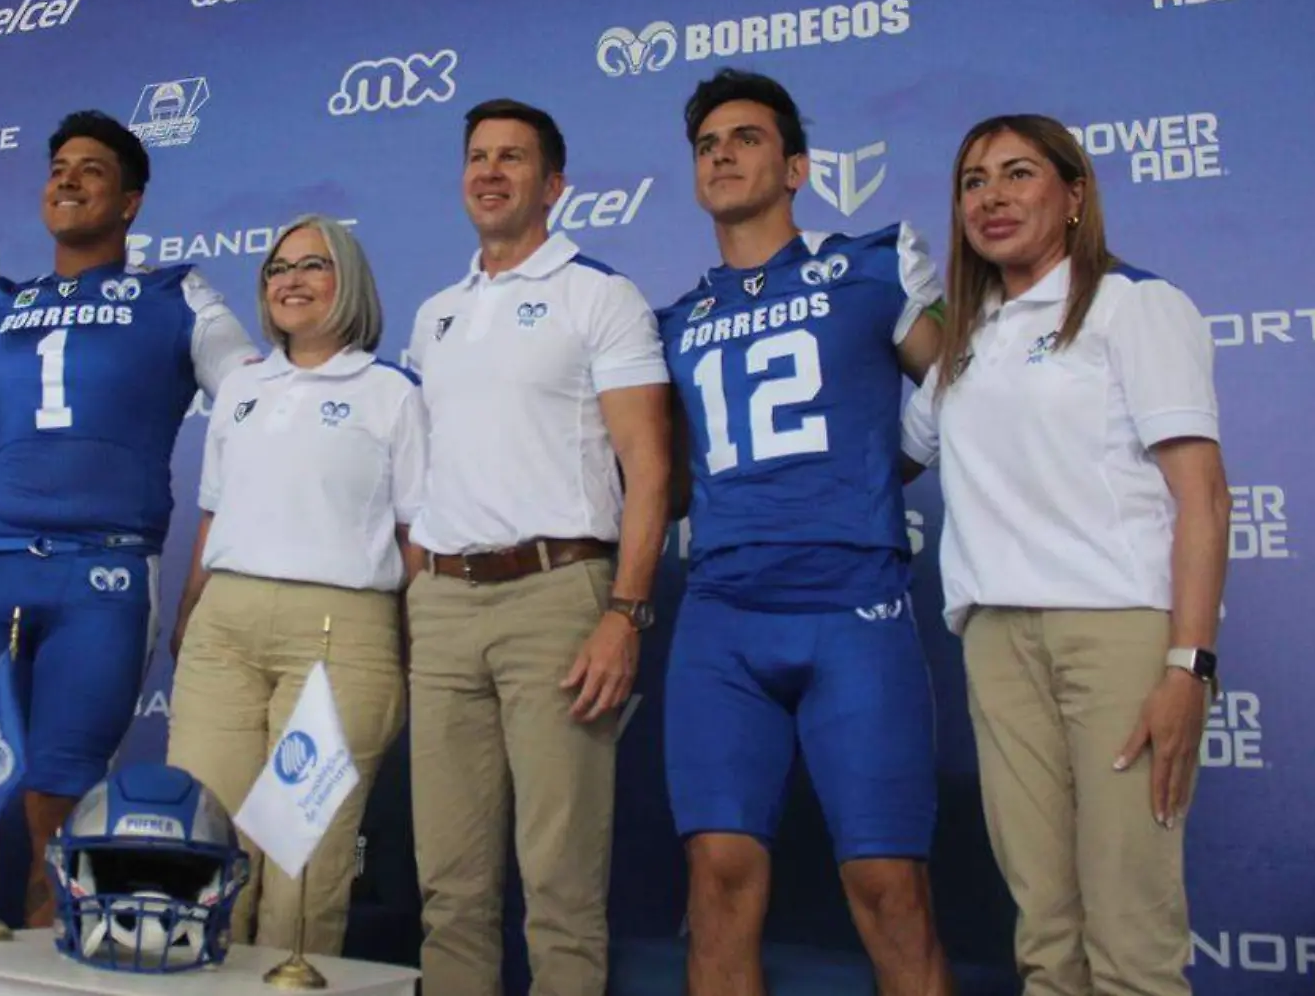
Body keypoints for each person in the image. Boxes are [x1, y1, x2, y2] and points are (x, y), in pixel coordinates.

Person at [0, 109, 257, 935]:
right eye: (58, 166)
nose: (67, 178)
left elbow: (257, 402)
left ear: (130, 201)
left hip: (102, 573)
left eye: (90, 169)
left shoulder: (178, 294)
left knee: (60, 817)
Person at [901, 114, 1229, 996]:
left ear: (1075, 194)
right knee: (1045, 933)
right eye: (974, 181)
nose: (993, 198)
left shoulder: (1133, 304)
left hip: (1115, 635)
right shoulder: (971, 335)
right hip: (997, 639)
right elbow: (890, 457)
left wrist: (1187, 666)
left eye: (1018, 175)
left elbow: (1204, 496)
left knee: (1130, 933)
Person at [652, 68, 953, 995]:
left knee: (887, 884)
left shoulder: (871, 262)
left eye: (745, 138)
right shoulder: (670, 320)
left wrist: (887, 459)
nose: (722, 155)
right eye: (707, 145)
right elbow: (657, 479)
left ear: (796, 168)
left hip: (850, 600)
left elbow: (963, 390)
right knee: (718, 879)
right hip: (723, 610)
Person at [405, 98, 672, 996]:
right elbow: (423, 476)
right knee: (449, 891)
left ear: (553, 185)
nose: (489, 172)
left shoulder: (600, 295)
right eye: (477, 156)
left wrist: (624, 614)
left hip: (557, 598)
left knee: (559, 890)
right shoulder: (434, 315)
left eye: (512, 158)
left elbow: (650, 467)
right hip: (441, 604)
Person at [165, 213, 424, 955]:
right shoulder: (241, 390)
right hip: (225, 629)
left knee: (300, 860)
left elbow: (416, 538)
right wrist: (192, 613)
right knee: (204, 846)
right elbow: (214, 517)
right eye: (278, 269)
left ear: (349, 282)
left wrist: (411, 645)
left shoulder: (391, 393)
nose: (291, 281)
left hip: (341, 633)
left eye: (313, 266)